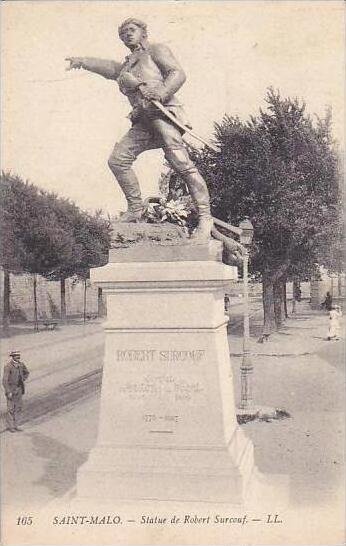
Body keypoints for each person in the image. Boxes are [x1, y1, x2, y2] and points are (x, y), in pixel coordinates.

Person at [66, 17, 212, 241]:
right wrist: (83, 61)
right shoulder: (126, 65)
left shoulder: (156, 50)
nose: (127, 35)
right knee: (118, 160)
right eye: (123, 33)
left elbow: (177, 73)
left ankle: (205, 218)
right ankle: (136, 208)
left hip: (163, 113)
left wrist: (162, 92)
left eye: (131, 30)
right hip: (142, 119)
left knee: (182, 165)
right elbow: (109, 68)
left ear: (144, 32)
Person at [2, 350, 29, 432]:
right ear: (12, 357)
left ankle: (16, 425)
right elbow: (4, 380)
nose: (18, 357)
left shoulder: (21, 364)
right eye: (16, 356)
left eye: (19, 356)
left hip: (19, 389)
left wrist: (23, 379)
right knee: (10, 409)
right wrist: (8, 391)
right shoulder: (8, 366)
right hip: (11, 390)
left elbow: (26, 372)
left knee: (18, 408)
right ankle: (11, 427)